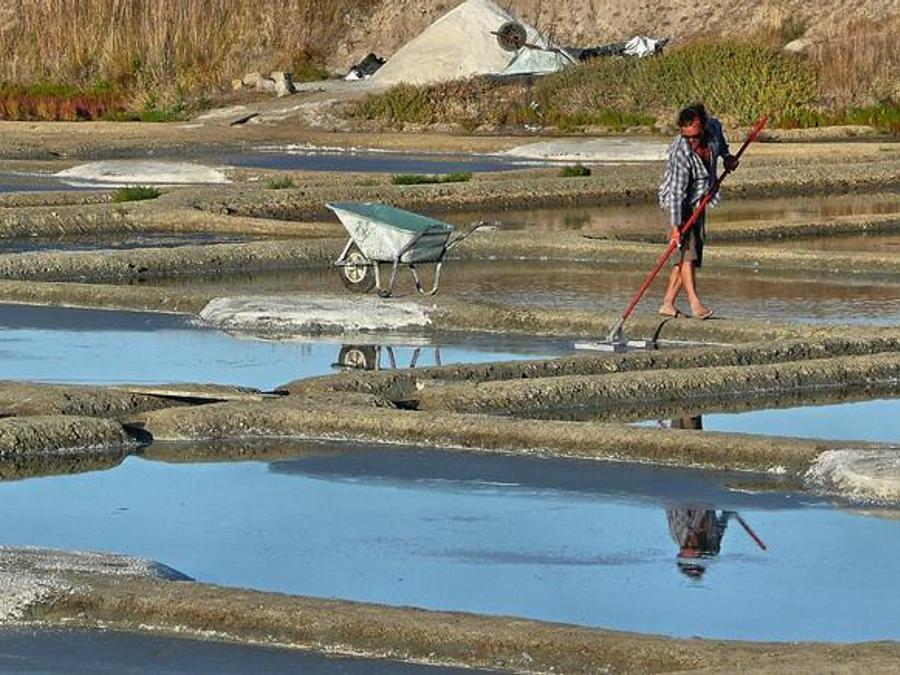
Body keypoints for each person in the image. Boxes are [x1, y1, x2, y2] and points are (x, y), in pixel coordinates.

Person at [658, 103, 738, 320]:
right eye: (687, 137)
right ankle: (695, 304)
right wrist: (675, 228)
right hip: (676, 204)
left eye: (695, 136)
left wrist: (727, 158)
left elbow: (721, 147)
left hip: (698, 200)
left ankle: (667, 303)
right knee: (687, 254)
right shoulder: (680, 152)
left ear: (703, 127)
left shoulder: (714, 128)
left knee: (688, 256)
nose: (691, 141)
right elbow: (676, 193)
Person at [665, 506, 735, 579]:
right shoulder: (712, 547)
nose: (697, 557)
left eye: (692, 559)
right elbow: (722, 523)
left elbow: (674, 507)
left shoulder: (678, 534)